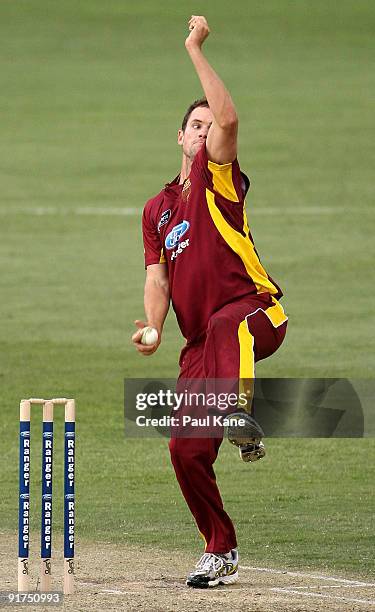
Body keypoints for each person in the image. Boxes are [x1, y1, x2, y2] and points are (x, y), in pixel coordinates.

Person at [132, 15, 288, 589]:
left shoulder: (218, 177)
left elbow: (229, 117)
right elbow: (158, 278)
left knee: (227, 325)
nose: (202, 131)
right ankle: (219, 547)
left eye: (206, 125)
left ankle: (241, 414)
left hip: (256, 313)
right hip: (202, 348)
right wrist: (152, 328)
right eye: (192, 126)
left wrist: (194, 48)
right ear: (178, 136)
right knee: (184, 450)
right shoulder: (157, 209)